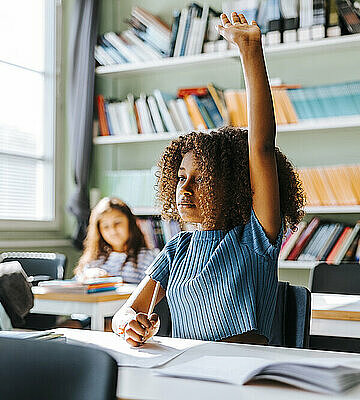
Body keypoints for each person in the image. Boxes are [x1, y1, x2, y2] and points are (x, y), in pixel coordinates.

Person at [112, 12, 305, 347]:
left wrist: (250, 52)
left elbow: (260, 147)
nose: (183, 189)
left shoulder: (255, 239)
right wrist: (129, 322)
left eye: (201, 180)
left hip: (246, 379)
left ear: (232, 186)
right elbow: (126, 311)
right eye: (181, 176)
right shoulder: (177, 250)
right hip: (188, 372)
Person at [75, 197, 159, 284]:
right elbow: (77, 283)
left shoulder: (148, 257)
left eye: (117, 223)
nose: (113, 231)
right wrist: (85, 276)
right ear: (99, 231)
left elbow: (151, 293)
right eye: (105, 227)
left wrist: (111, 281)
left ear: (130, 223)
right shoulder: (94, 258)